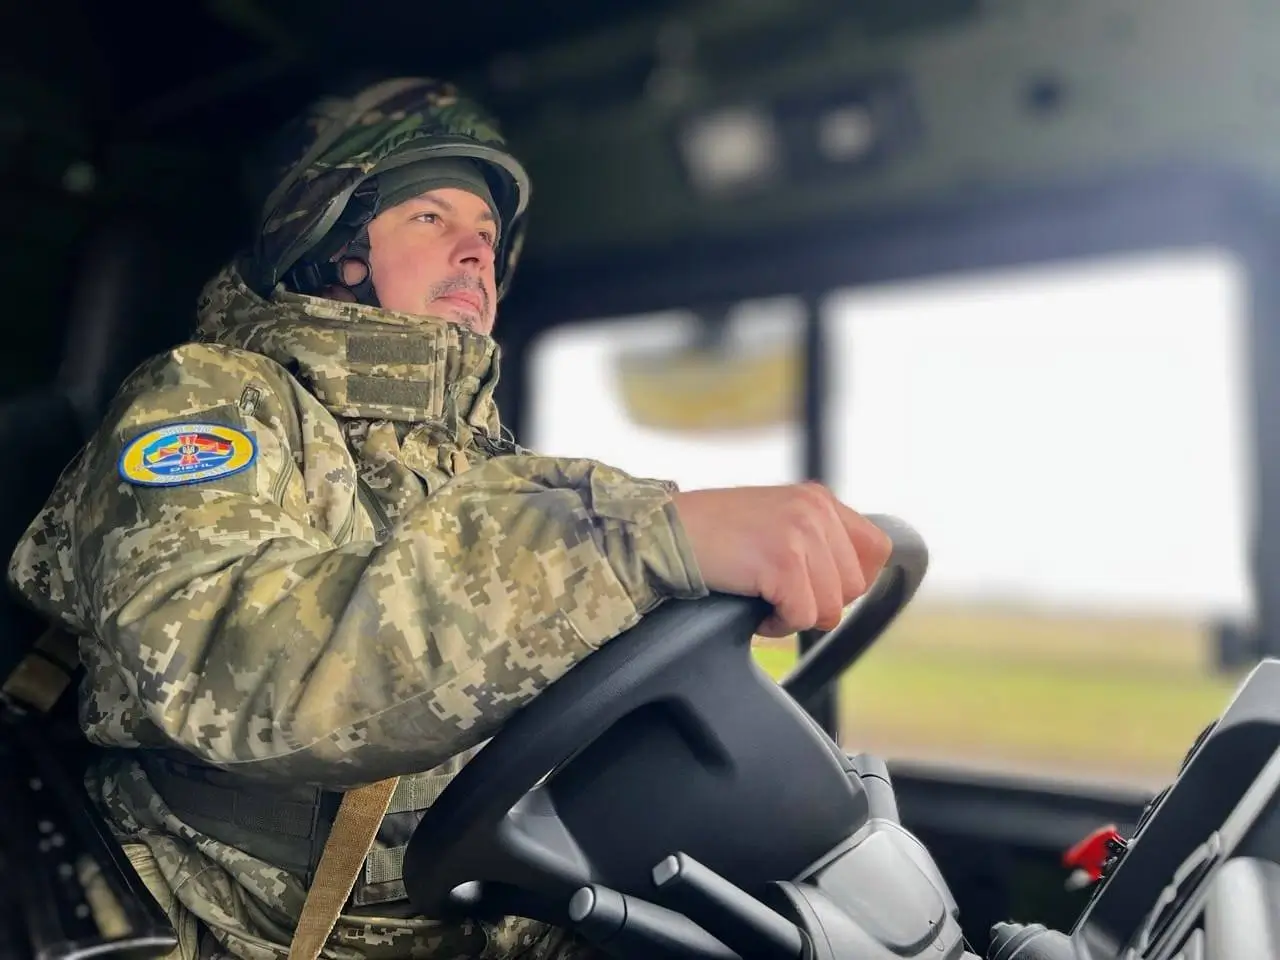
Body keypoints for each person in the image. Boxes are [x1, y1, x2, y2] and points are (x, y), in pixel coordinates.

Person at [6, 76, 891, 960]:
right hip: (253, 929)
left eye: (486, 233)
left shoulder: (501, 467)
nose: (473, 251)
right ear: (335, 244)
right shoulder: (212, 398)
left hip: (497, 907)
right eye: (430, 218)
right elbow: (223, 663)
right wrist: (633, 547)